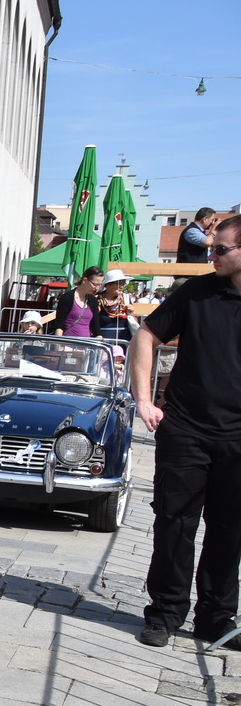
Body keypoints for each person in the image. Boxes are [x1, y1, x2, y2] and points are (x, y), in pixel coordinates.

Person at [131, 216, 241, 650]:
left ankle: (216, 619)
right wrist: (144, 400)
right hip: (186, 429)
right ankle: (165, 613)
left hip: (238, 438)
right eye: (212, 247)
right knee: (175, 523)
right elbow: (146, 335)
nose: (210, 255)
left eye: (221, 250)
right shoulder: (195, 293)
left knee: (229, 528)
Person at [45, 265, 102, 338]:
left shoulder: (93, 300)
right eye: (95, 284)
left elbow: (96, 328)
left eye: (100, 285)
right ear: (85, 280)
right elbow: (59, 325)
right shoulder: (67, 298)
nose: (97, 288)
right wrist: (58, 346)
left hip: (86, 346)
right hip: (68, 345)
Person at [96, 268, 134, 344]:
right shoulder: (97, 300)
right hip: (103, 342)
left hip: (124, 341)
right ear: (108, 285)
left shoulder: (126, 299)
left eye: (123, 284)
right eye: (118, 283)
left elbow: (131, 321)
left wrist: (131, 313)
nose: (122, 286)